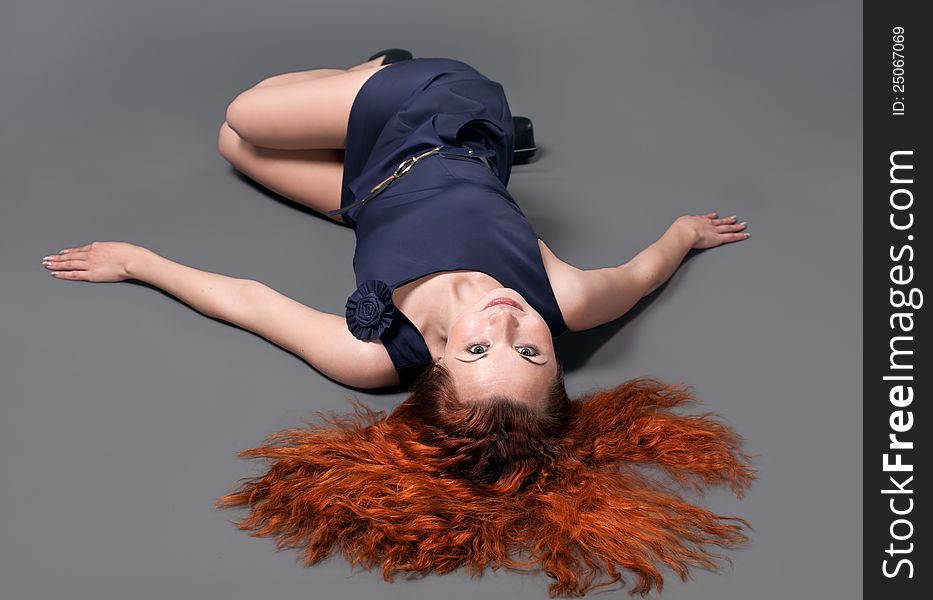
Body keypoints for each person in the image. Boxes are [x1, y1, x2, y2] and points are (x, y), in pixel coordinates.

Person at [41, 51, 755, 596]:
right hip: (439, 112)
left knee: (234, 144)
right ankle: (380, 69)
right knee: (246, 110)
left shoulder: (372, 355)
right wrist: (685, 233)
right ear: (557, 363)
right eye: (531, 352)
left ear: (438, 368)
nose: (507, 322)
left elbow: (250, 301)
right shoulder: (564, 295)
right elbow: (639, 275)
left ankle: (367, 118)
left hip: (369, 194)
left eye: (482, 348)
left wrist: (137, 261)